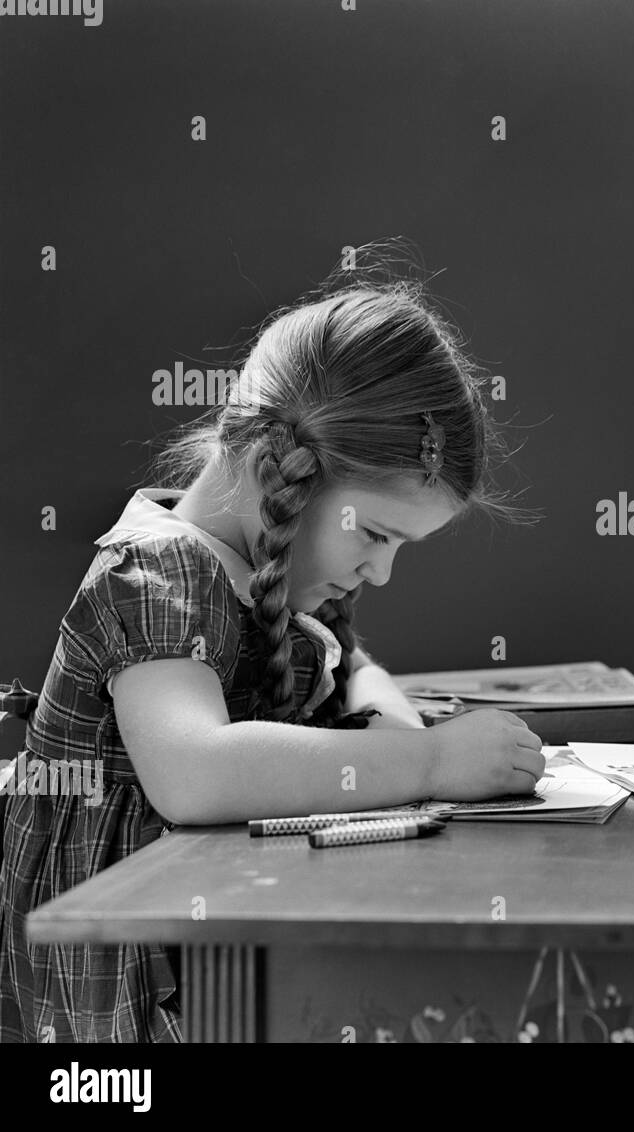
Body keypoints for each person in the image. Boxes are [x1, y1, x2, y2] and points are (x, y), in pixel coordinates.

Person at [0, 265, 544, 1041]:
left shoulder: (256, 578)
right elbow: (196, 773)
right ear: (271, 472)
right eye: (378, 535)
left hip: (216, 949)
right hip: (125, 991)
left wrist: (392, 719)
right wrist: (431, 764)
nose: (381, 571)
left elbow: (357, 681)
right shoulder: (156, 574)